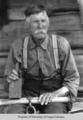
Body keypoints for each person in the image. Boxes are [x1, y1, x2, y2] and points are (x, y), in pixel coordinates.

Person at [3, 4, 80, 113]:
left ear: (48, 23)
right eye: (35, 22)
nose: (40, 26)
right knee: (13, 114)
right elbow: (8, 87)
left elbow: (72, 79)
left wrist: (55, 94)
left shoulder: (61, 44)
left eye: (43, 21)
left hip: (56, 96)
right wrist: (11, 80)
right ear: (28, 24)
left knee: (55, 114)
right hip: (27, 96)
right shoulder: (18, 47)